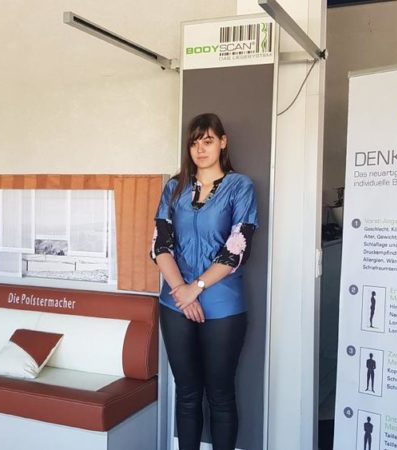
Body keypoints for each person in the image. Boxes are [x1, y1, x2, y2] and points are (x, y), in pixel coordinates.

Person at [150, 113, 258, 450]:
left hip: (223, 305)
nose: (200, 149)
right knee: (186, 393)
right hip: (175, 304)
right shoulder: (175, 187)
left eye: (208, 140)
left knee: (220, 395)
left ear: (223, 142)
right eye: (194, 142)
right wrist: (181, 292)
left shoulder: (240, 186)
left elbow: (237, 247)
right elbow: (160, 245)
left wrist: (194, 289)